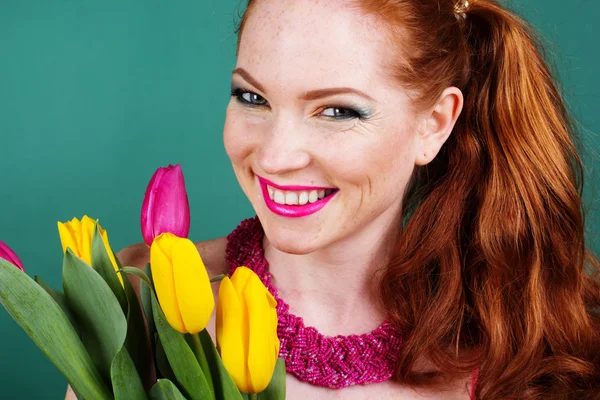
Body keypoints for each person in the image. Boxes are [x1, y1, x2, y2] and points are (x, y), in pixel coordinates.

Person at [66, 0, 600, 399]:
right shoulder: (133, 299)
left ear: (433, 124)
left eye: (337, 111)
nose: (274, 157)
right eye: (253, 98)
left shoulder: (517, 343)